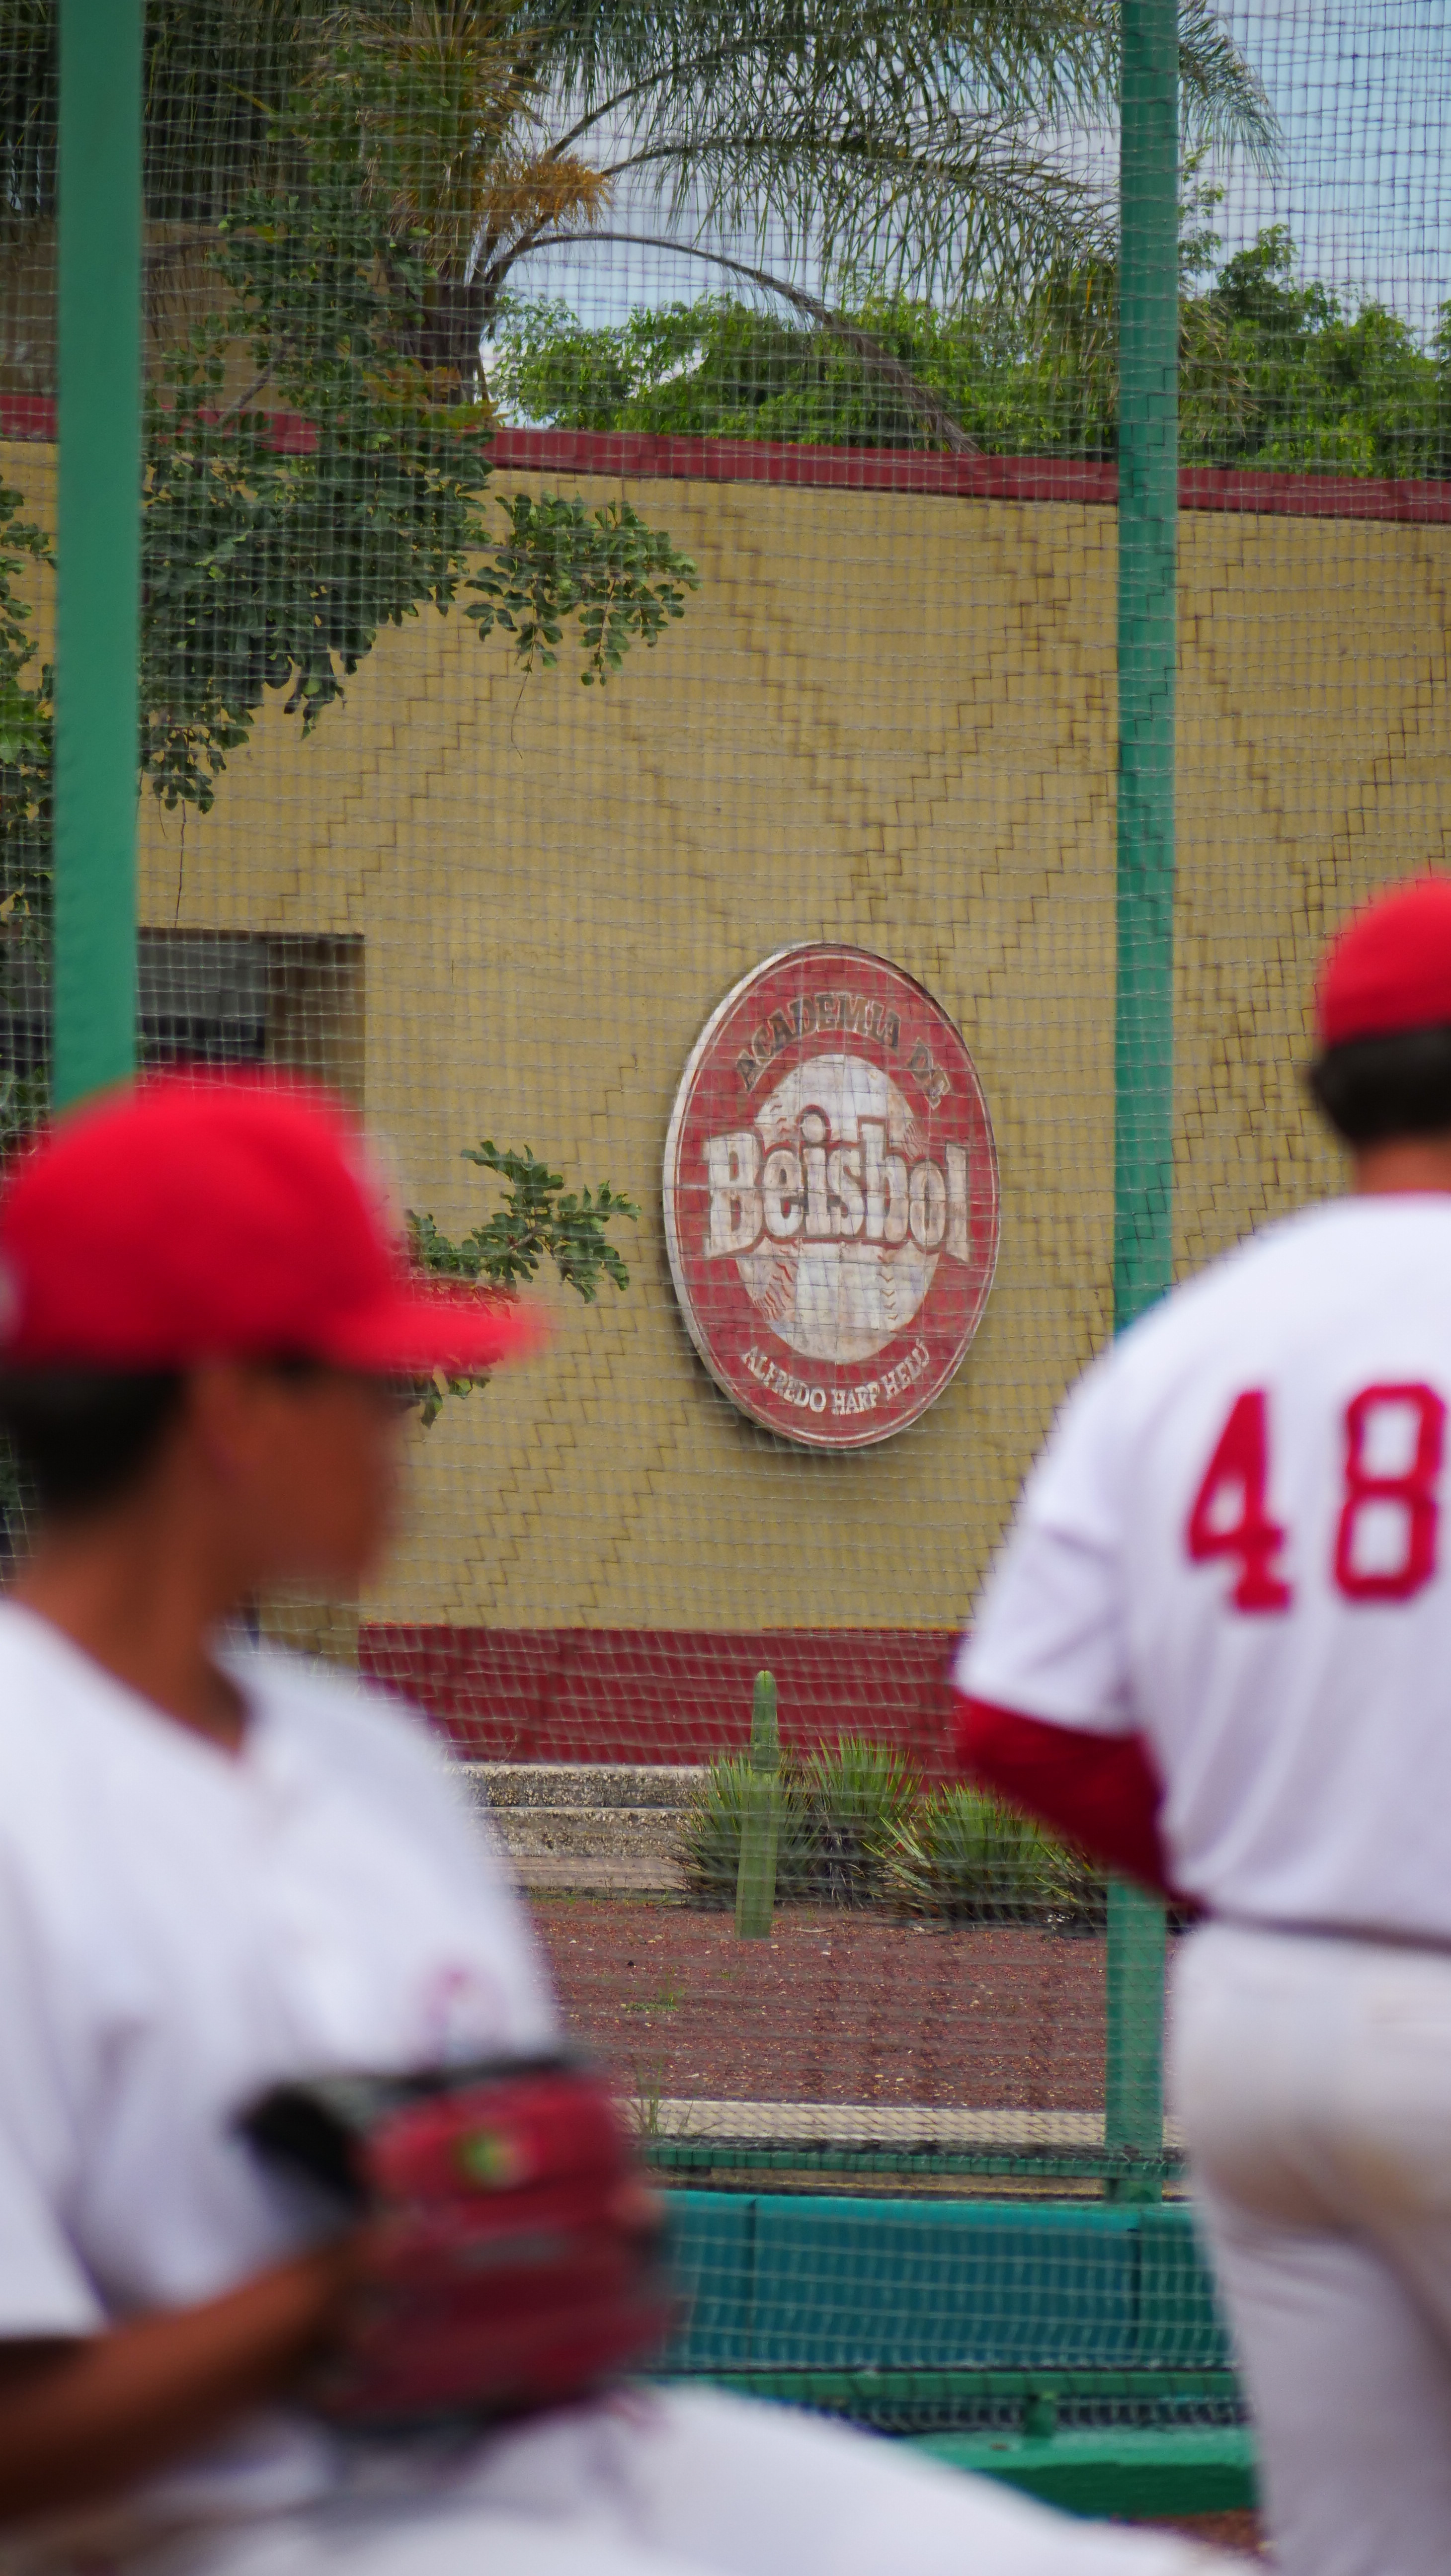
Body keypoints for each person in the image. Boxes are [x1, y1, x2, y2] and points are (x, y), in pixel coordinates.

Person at [0, 1073, 1233, 2576]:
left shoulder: (376, 1764)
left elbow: (514, 2202)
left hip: (582, 2457)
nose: (408, 1428)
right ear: (233, 1410)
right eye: (379, 1389)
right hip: (259, 2529)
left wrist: (558, 2230)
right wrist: (349, 2292)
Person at [955, 872, 1451, 2576]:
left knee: (1361, 2544)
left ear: (1332, 1089)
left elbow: (1018, 1724)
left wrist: (1246, 1874)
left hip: (1254, 2034)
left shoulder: (1188, 1350)